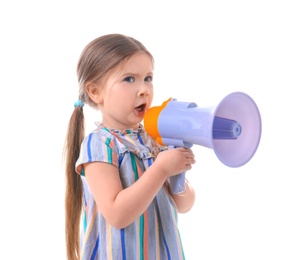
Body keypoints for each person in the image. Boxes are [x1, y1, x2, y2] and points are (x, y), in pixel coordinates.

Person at [64, 33, 196, 260]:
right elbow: (117, 214)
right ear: (95, 92)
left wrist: (178, 175)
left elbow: (184, 205)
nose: (144, 89)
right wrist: (162, 169)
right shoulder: (100, 144)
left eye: (148, 78)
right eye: (129, 79)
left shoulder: (153, 139)